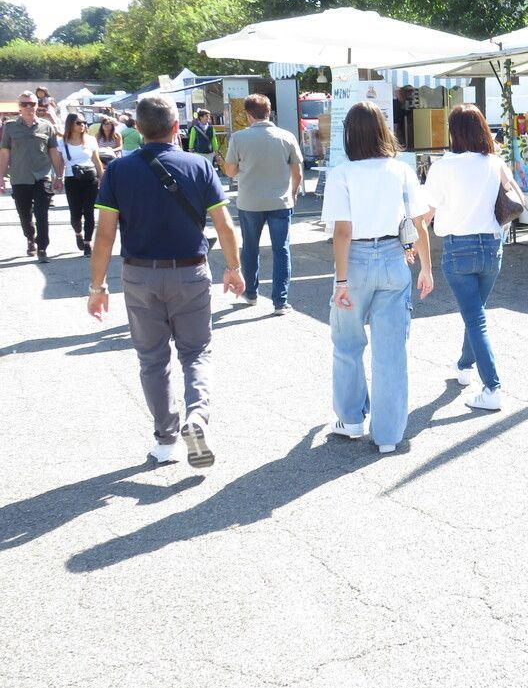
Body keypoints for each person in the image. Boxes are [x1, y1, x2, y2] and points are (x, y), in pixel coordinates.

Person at [87, 94, 245, 469]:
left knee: (152, 359)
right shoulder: (198, 166)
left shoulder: (118, 171)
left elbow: (104, 235)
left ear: (137, 129)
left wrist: (97, 288)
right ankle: (197, 418)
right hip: (190, 270)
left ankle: (165, 440)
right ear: (177, 128)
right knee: (196, 352)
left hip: (139, 274)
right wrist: (234, 268)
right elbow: (224, 225)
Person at [322, 101, 433, 453]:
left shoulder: (342, 173)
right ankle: (387, 436)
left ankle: (351, 419)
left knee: (347, 344)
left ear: (349, 134)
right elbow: (419, 223)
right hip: (392, 259)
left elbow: (341, 232)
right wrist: (427, 269)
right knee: (391, 353)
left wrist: (340, 282)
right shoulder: (401, 170)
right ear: (384, 130)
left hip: (353, 261)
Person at [423, 104, 521, 412]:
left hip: (459, 250)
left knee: (475, 318)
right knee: (475, 313)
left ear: (454, 132)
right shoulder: (494, 161)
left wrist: (409, 242)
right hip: (492, 248)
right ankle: (464, 367)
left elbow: (427, 213)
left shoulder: (442, 166)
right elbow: (516, 196)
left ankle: (492, 388)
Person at [223, 93, 304, 315]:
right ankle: (280, 301)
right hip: (280, 200)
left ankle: (250, 293)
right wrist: (294, 192)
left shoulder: (239, 138)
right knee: (281, 249)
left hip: (249, 201)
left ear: (248, 115)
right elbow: (297, 172)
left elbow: (230, 171)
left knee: (250, 248)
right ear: (269, 112)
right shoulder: (286, 136)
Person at [0, 90, 64, 261]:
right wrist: (0, 177)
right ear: (19, 107)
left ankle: (42, 247)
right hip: (19, 177)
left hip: (42, 176)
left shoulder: (47, 126)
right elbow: (5, 153)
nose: (29, 107)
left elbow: (54, 152)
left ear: (37, 105)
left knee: (42, 213)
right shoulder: (10, 127)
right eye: (24, 104)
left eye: (32, 104)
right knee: (24, 214)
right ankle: (30, 237)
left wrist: (59, 176)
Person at [57, 112, 104, 256]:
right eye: (78, 122)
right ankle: (78, 233)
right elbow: (60, 163)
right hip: (72, 179)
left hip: (90, 179)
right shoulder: (61, 142)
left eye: (84, 122)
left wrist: (102, 178)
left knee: (89, 212)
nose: (82, 125)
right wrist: (57, 178)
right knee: (75, 214)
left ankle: (88, 243)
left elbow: (96, 161)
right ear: (70, 124)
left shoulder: (90, 140)